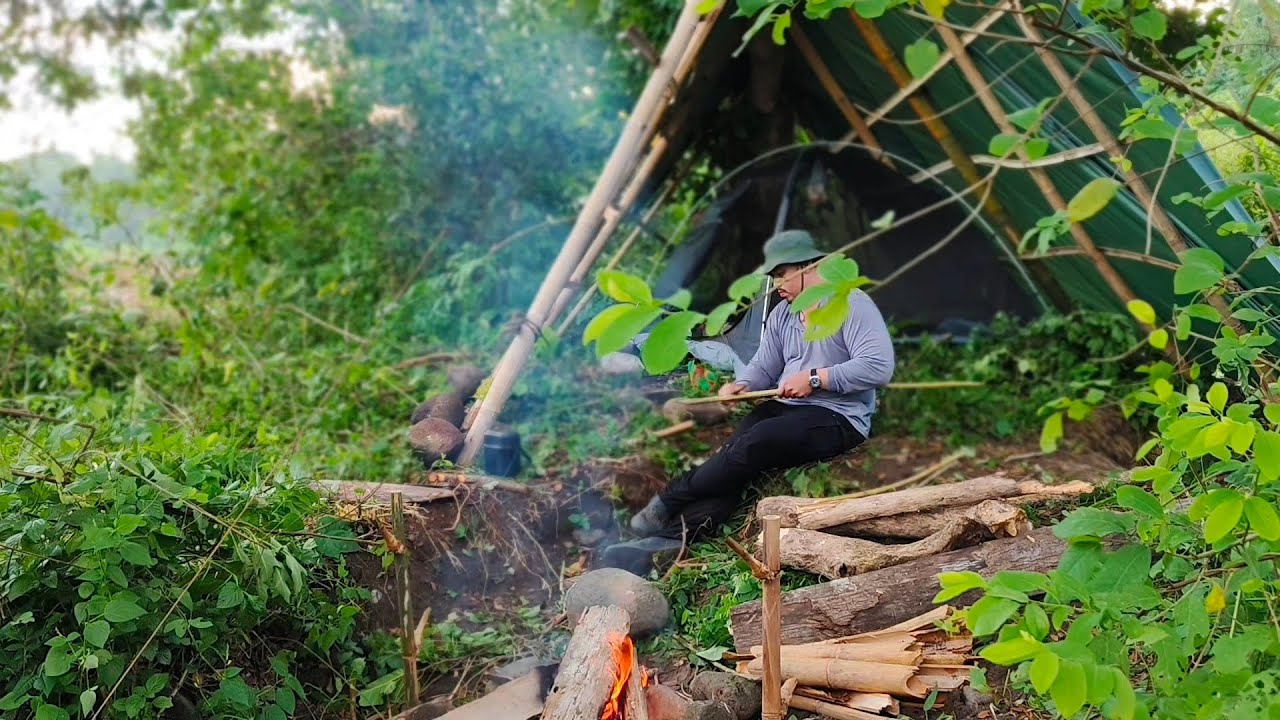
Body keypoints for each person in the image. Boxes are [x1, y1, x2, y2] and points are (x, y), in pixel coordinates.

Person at [629, 229, 895, 543]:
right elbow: (764, 365)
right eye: (773, 276)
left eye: (782, 274)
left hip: (838, 416)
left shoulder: (850, 302)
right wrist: (742, 385)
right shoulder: (783, 313)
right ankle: (669, 541)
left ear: (807, 267)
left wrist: (815, 378)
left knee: (757, 441)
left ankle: (669, 499)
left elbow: (879, 366)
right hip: (787, 407)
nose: (777, 284)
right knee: (735, 458)